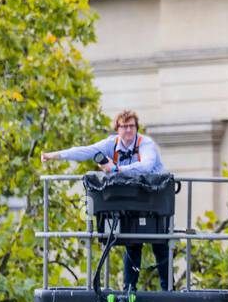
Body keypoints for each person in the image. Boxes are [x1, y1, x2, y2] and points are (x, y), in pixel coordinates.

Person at [41, 110, 170, 290]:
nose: (128, 130)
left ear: (136, 128)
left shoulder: (145, 143)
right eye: (123, 126)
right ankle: (129, 288)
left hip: (156, 196)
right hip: (135, 197)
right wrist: (55, 155)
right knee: (132, 241)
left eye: (131, 126)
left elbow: (147, 166)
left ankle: (167, 287)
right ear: (117, 129)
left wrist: (116, 169)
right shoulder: (112, 143)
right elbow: (85, 151)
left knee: (160, 240)